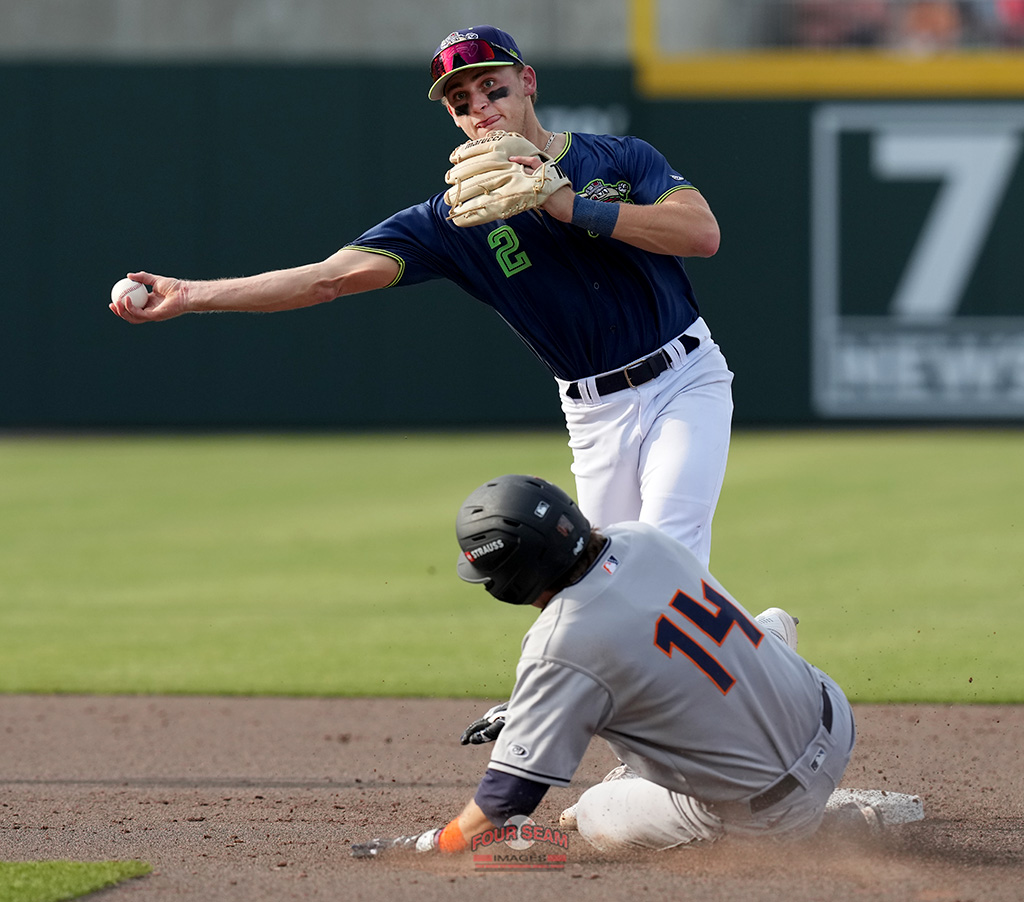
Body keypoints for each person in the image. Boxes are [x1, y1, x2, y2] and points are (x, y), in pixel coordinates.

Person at [108, 25, 734, 568]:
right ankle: (758, 644)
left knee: (666, 555)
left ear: (528, 82)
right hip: (594, 415)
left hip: (683, 379)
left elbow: (701, 234)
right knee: (599, 585)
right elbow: (329, 277)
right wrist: (191, 295)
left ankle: (752, 693)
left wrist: (568, 205)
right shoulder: (450, 221)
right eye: (461, 100)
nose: (480, 106)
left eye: (493, 87)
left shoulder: (617, 157)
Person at [350, 474, 869, 858]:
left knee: (596, 814)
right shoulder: (641, 539)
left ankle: (831, 831)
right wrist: (534, 706)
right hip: (832, 716)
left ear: (512, 579)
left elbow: (505, 800)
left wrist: (434, 845)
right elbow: (632, 646)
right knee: (764, 625)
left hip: (772, 811)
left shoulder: (562, 643)